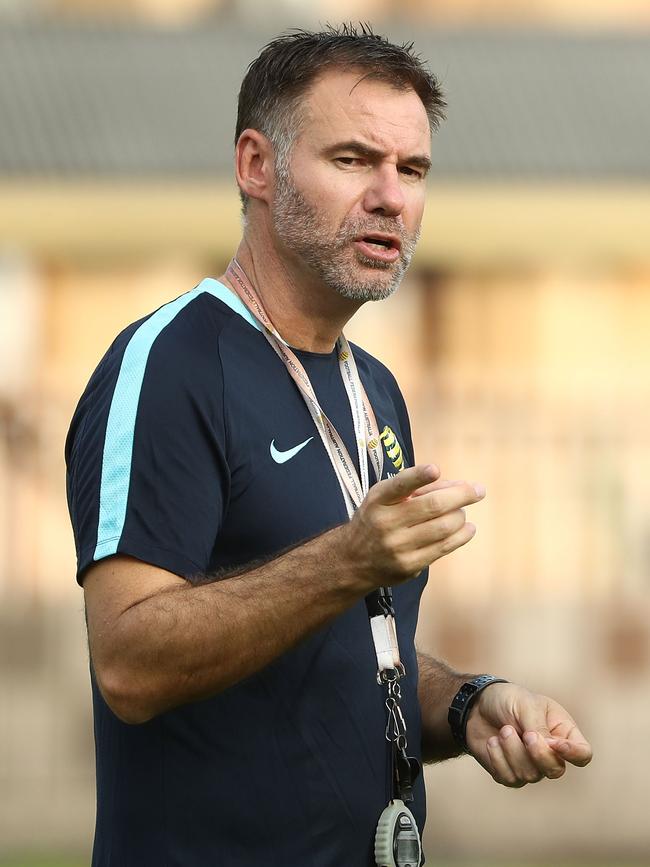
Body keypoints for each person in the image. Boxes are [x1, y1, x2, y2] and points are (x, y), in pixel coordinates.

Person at [65, 24, 592, 867]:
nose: (391, 196)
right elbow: (128, 662)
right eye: (353, 160)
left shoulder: (372, 387)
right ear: (256, 166)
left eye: (412, 170)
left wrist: (467, 704)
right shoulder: (168, 365)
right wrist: (347, 558)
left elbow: (352, 650)